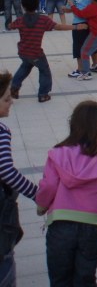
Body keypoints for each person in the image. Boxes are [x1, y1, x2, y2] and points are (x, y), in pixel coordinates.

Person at [36, 100, 97, 287]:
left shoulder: (58, 153)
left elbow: (49, 185)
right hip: (93, 225)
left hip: (61, 222)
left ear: (73, 123)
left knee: (60, 278)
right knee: (85, 278)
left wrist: (42, 205)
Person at [0, 70, 39, 286]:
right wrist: (36, 194)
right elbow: (6, 170)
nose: (11, 102)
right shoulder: (1, 131)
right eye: (6, 99)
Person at [9, 0, 75, 103]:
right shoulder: (43, 20)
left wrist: (10, 25)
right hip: (36, 54)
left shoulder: (20, 20)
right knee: (44, 71)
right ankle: (43, 94)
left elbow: (11, 26)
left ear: (23, 6)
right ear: (37, 5)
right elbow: (58, 27)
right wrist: (75, 27)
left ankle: (14, 86)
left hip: (23, 52)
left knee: (25, 67)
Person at [65, 0, 97, 79]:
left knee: (78, 46)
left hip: (78, 22)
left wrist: (65, 9)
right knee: (92, 43)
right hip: (91, 21)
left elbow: (69, 7)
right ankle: (95, 64)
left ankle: (80, 69)